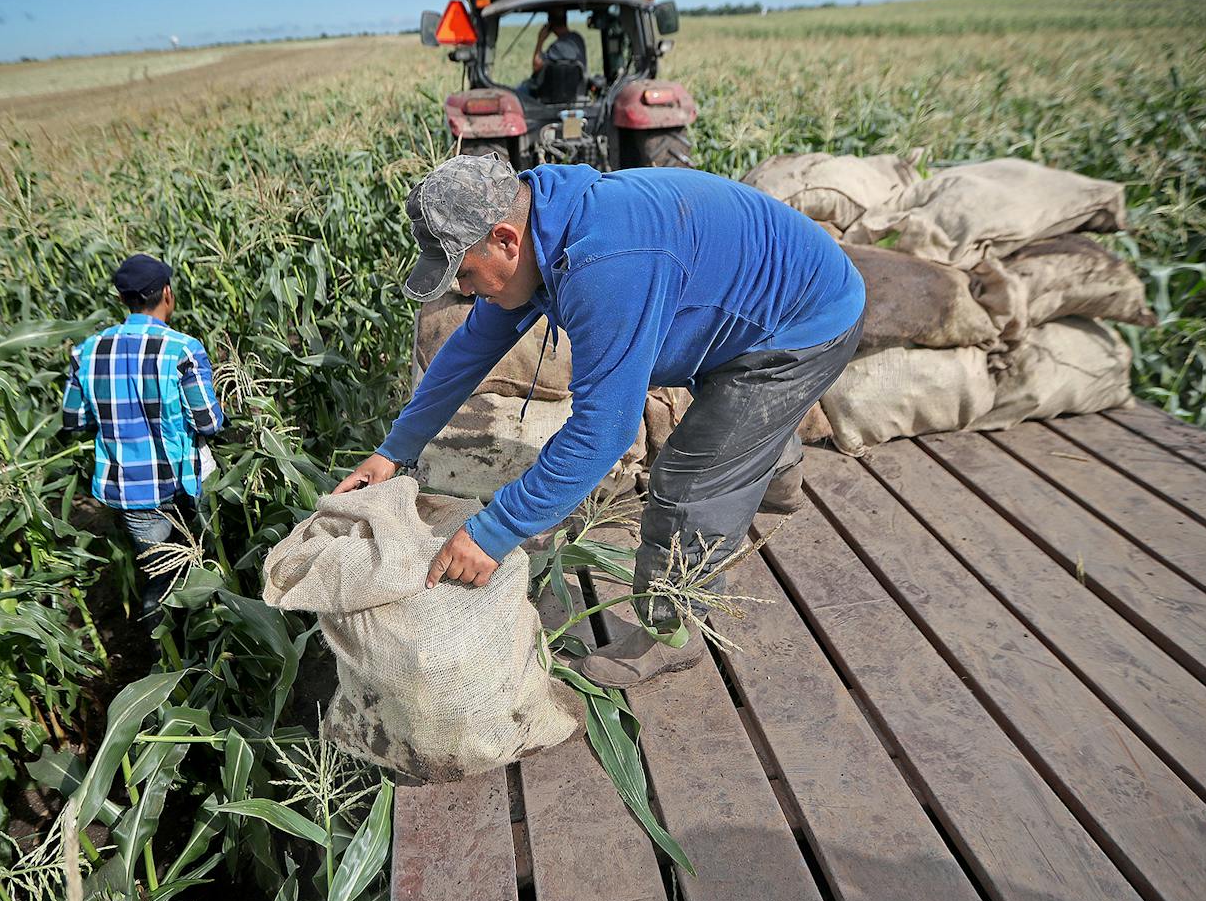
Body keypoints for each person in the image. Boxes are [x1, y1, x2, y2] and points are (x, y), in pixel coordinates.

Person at [334, 155, 864, 687]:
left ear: (504, 240)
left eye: (466, 273)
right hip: (741, 310)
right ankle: (768, 453)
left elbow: (603, 432)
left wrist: (494, 531)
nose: (467, 291)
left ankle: (673, 634)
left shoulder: (606, 265)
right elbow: (470, 349)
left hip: (799, 325)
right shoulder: (543, 228)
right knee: (734, 437)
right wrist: (393, 451)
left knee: (687, 482)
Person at [62, 253, 225, 616]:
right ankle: (215, 636)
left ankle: (166, 650)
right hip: (186, 480)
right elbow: (208, 422)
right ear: (167, 294)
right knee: (211, 565)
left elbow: (73, 419)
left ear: (122, 300)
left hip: (131, 491)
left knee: (162, 575)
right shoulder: (182, 349)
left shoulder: (86, 352)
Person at [515, 8, 587, 101]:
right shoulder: (578, 40)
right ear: (565, 20)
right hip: (576, 94)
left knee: (521, 89)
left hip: (550, 97)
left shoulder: (556, 48)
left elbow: (536, 65)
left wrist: (540, 40)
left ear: (550, 24)